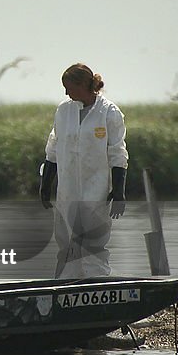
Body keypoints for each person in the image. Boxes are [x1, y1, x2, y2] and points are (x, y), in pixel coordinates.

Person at [40, 63, 128, 278]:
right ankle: (64, 290)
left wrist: (119, 192)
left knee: (92, 245)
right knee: (66, 243)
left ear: (82, 85)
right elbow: (53, 149)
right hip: (67, 191)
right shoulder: (64, 110)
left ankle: (96, 289)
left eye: (68, 87)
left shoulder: (108, 112)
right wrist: (45, 186)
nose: (66, 92)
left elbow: (117, 153)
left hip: (95, 191)